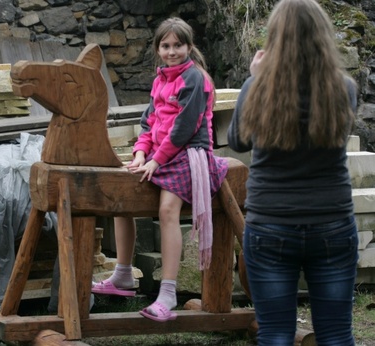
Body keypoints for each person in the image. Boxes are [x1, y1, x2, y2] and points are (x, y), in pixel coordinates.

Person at [227, 0, 358, 345]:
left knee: (274, 334)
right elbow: (339, 140)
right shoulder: (344, 88)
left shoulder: (259, 89)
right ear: (323, 37)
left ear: (275, 38)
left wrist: (253, 80)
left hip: (270, 224)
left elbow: (237, 141)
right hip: (332, 223)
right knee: (337, 334)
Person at [92, 17, 228, 322]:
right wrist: (141, 152)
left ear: (189, 47)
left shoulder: (195, 79)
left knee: (167, 210)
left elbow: (184, 127)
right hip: (158, 154)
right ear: (158, 49)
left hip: (188, 153)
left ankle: (167, 294)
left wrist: (156, 159)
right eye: (165, 46)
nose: (172, 51)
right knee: (120, 197)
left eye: (178, 45)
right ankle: (123, 275)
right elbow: (149, 123)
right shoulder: (160, 80)